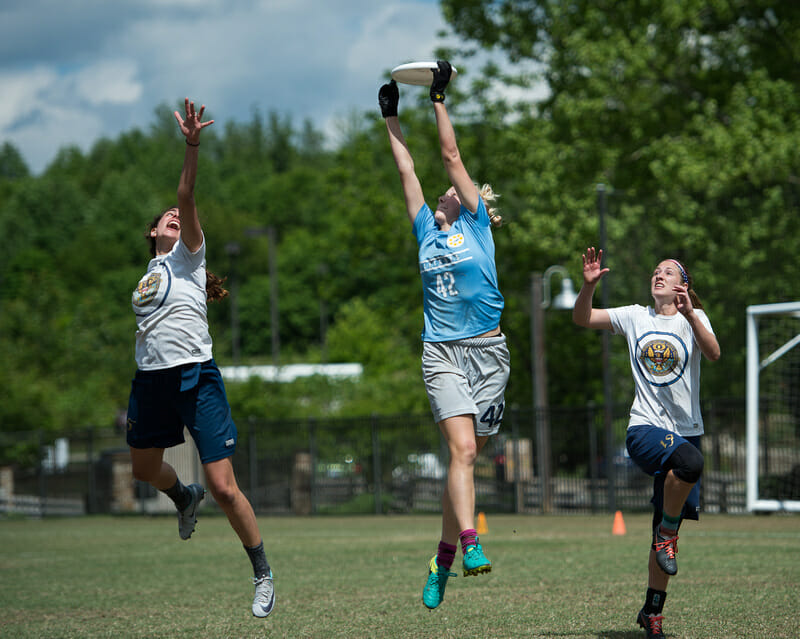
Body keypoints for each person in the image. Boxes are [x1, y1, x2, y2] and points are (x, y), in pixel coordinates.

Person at [126, 98, 275, 619]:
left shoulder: (190, 257)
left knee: (225, 486)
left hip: (194, 374)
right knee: (144, 470)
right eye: (163, 220)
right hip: (150, 380)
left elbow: (185, 195)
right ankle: (183, 497)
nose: (172, 217)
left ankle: (261, 572)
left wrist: (191, 143)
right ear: (151, 235)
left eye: (175, 218)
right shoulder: (149, 274)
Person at [378, 62, 510, 610]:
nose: (441, 194)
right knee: (460, 451)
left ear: (468, 201)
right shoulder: (424, 232)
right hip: (443, 355)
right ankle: (472, 543)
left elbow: (449, 158)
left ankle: (442, 558)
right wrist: (390, 117)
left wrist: (438, 97)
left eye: (452, 194)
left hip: (490, 354)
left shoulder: (475, 226)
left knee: (466, 463)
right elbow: (408, 169)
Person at [572, 247, 720, 639]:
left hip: (686, 430)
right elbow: (582, 318)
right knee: (690, 466)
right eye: (655, 271)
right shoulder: (636, 316)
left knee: (663, 535)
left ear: (682, 287)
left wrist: (690, 315)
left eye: (668, 272)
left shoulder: (695, 318)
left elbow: (715, 353)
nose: (658, 275)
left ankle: (651, 613)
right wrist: (587, 288)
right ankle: (667, 536)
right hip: (644, 430)